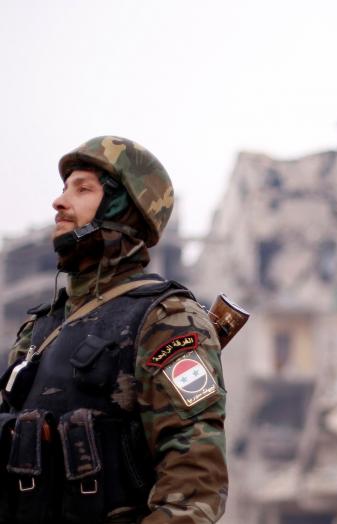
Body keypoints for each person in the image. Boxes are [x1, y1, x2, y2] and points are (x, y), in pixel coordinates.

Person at [0, 136, 228, 523]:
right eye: (63, 188)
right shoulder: (38, 330)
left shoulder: (168, 318)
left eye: (82, 188)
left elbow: (194, 486)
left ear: (124, 208)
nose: (59, 202)